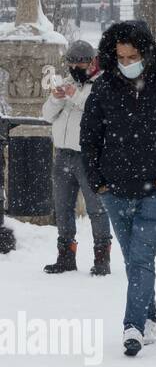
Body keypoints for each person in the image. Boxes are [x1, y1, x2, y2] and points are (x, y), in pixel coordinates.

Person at [80, 20, 156, 356]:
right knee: (135, 260)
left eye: (133, 55)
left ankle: (131, 326)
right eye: (121, 56)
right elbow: (89, 138)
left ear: (147, 53)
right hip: (114, 190)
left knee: (142, 257)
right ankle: (150, 316)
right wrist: (98, 181)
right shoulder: (104, 89)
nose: (127, 62)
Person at [41, 39, 113, 276]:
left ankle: (102, 258)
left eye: (78, 63)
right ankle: (65, 256)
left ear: (91, 62)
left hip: (89, 156)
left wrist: (75, 97)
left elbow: (101, 112)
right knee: (62, 207)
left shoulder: (103, 83)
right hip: (62, 153)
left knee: (96, 208)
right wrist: (57, 98)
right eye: (70, 63)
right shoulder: (69, 81)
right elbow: (47, 115)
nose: (74, 67)